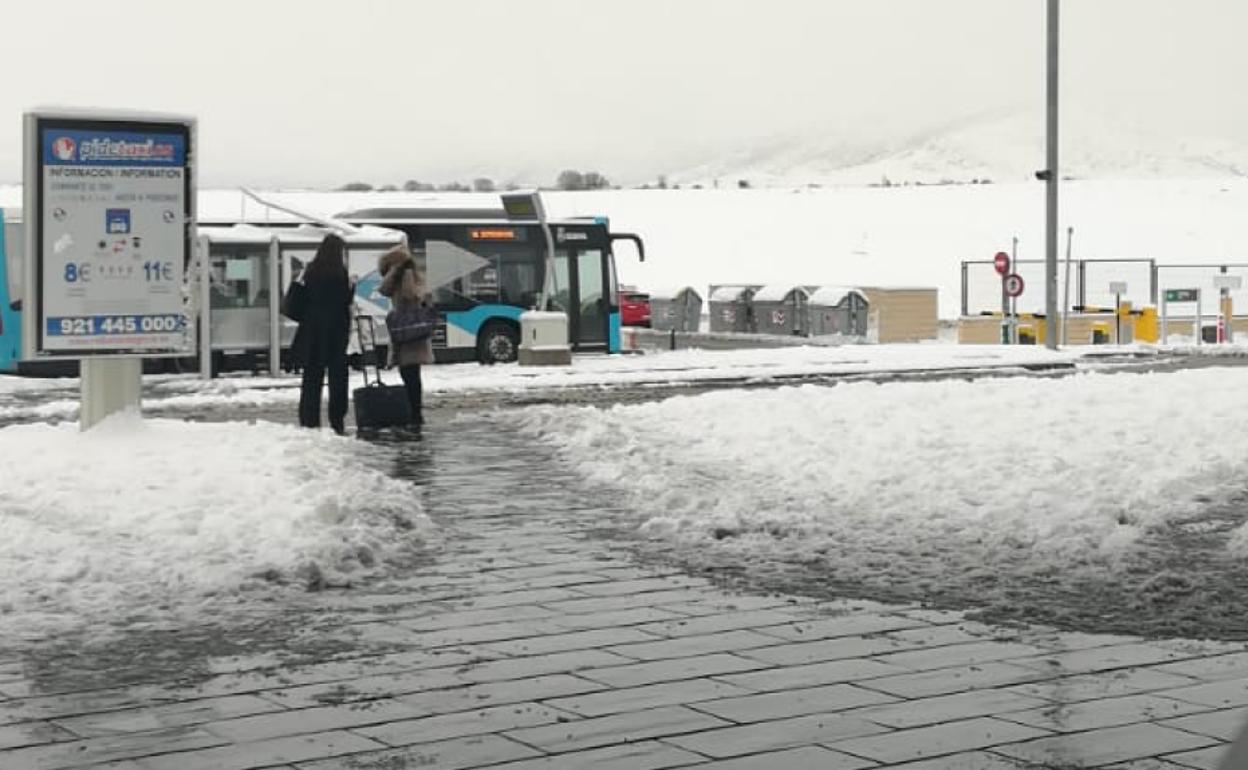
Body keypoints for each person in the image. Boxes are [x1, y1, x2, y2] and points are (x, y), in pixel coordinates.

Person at [296, 234, 353, 434]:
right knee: (338, 377)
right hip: (335, 330)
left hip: (312, 329)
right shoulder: (339, 273)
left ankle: (309, 419)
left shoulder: (311, 270)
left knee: (312, 376)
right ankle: (336, 419)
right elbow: (343, 301)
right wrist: (352, 288)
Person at [378, 245, 434, 427]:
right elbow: (383, 289)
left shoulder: (408, 273)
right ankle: (414, 411)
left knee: (410, 372)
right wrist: (394, 273)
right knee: (408, 372)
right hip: (405, 328)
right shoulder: (398, 275)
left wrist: (401, 275)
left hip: (409, 328)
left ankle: (415, 413)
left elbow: (410, 295)